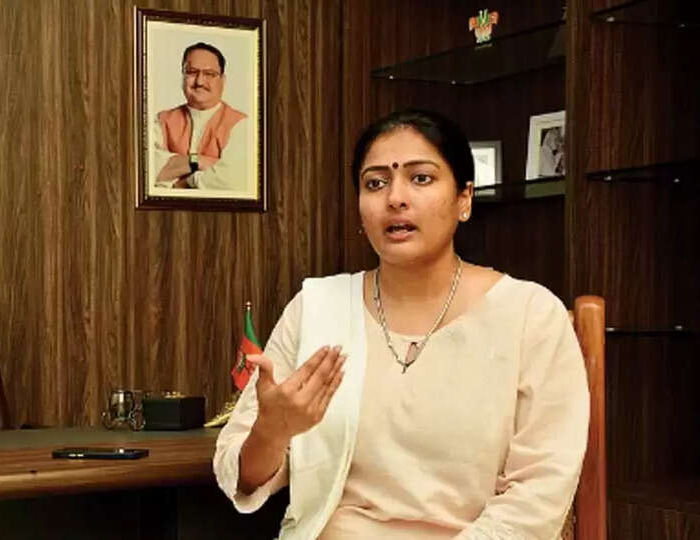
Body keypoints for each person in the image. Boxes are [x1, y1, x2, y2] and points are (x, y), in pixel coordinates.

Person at [214, 109, 589, 539]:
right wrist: (271, 432)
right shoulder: (317, 309)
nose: (395, 198)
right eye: (375, 183)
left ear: (465, 198)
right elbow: (237, 475)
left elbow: (539, 492)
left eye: (421, 178)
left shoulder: (530, 315)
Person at [153, 42, 248, 190]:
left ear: (223, 80)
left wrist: (182, 183)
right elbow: (150, 172)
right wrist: (199, 161)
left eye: (209, 74)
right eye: (192, 72)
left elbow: (230, 181)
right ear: (183, 76)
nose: (200, 81)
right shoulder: (161, 121)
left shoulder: (241, 124)